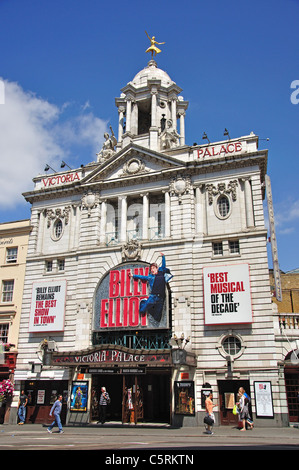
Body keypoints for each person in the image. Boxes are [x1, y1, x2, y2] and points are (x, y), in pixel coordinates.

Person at [129, 253, 173, 324]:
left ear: (157, 268)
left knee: (157, 317)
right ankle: (144, 301)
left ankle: (152, 308)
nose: (152, 270)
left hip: (161, 298)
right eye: (151, 269)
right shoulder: (150, 277)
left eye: (153, 268)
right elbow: (142, 277)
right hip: (153, 296)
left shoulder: (161, 273)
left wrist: (163, 257)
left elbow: (163, 265)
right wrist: (133, 275)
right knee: (142, 310)